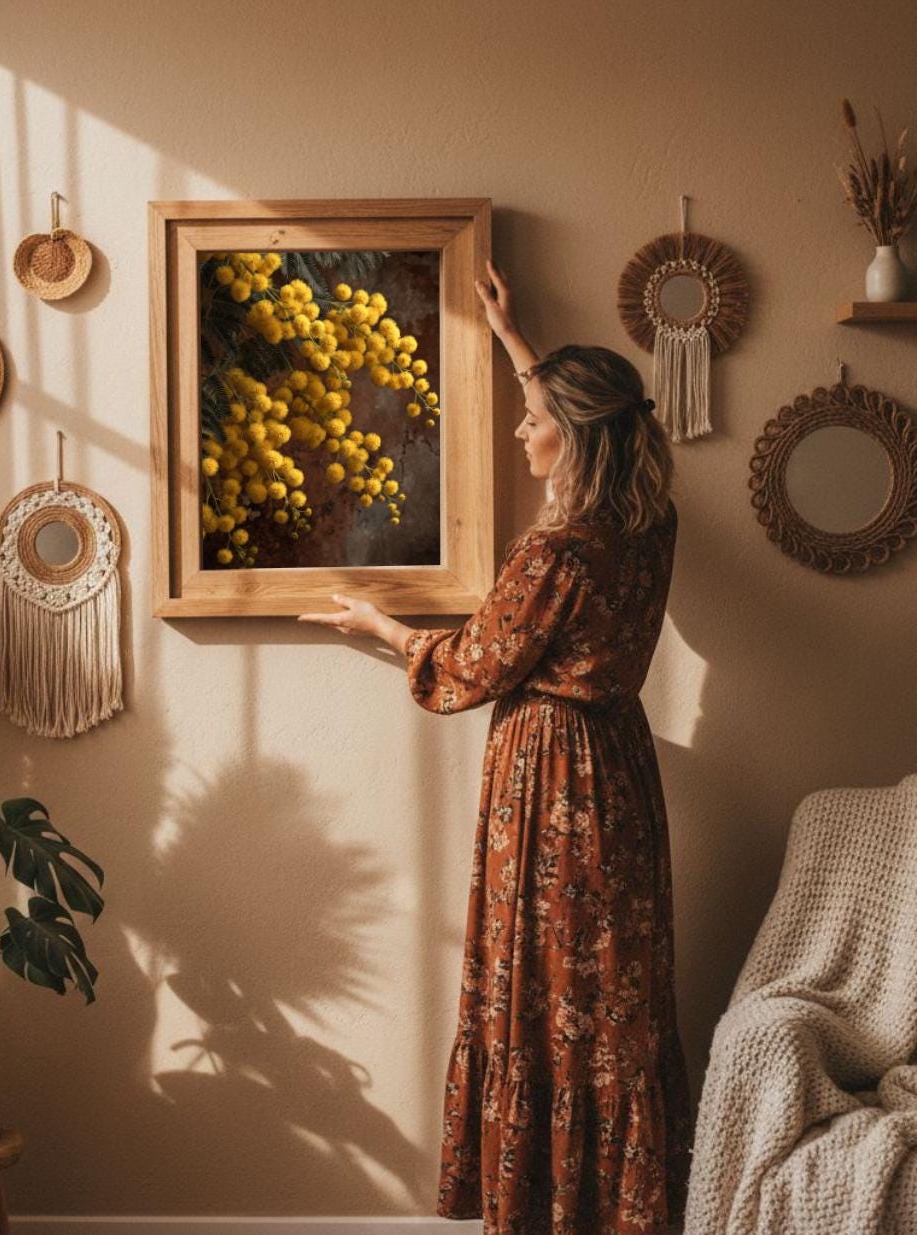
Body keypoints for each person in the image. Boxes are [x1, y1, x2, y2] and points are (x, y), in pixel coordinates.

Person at [298, 260, 693, 1234]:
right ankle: (621, 1204)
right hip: (621, 774)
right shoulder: (648, 526)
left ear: (573, 432)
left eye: (531, 417)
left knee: (544, 982)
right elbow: (579, 413)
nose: (519, 429)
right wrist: (516, 342)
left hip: (551, 776)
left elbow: (468, 668)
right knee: (610, 992)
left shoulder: (553, 553)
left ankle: (545, 1208)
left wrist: (378, 624)